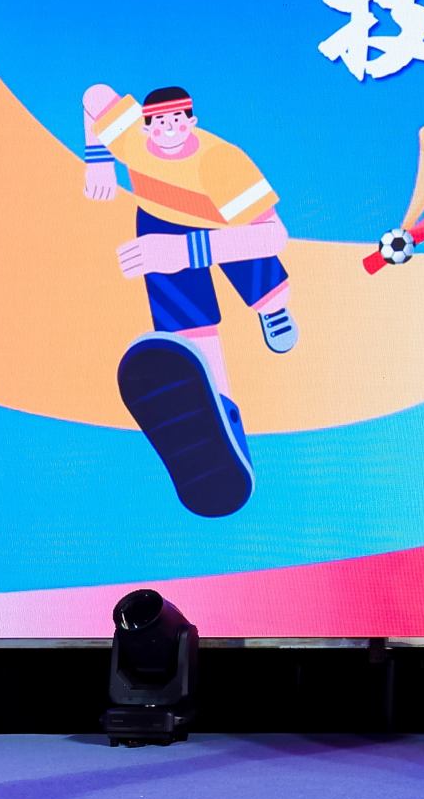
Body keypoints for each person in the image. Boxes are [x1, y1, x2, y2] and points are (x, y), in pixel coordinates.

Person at [81, 83, 298, 517]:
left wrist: (183, 251)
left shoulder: (222, 163)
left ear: (192, 121)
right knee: (188, 330)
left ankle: (272, 307)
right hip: (161, 218)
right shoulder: (131, 140)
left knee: (253, 265)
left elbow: (274, 235)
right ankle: (222, 415)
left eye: (177, 121)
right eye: (159, 123)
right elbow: (94, 96)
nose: (168, 130)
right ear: (146, 127)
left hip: (227, 224)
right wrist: (98, 161)